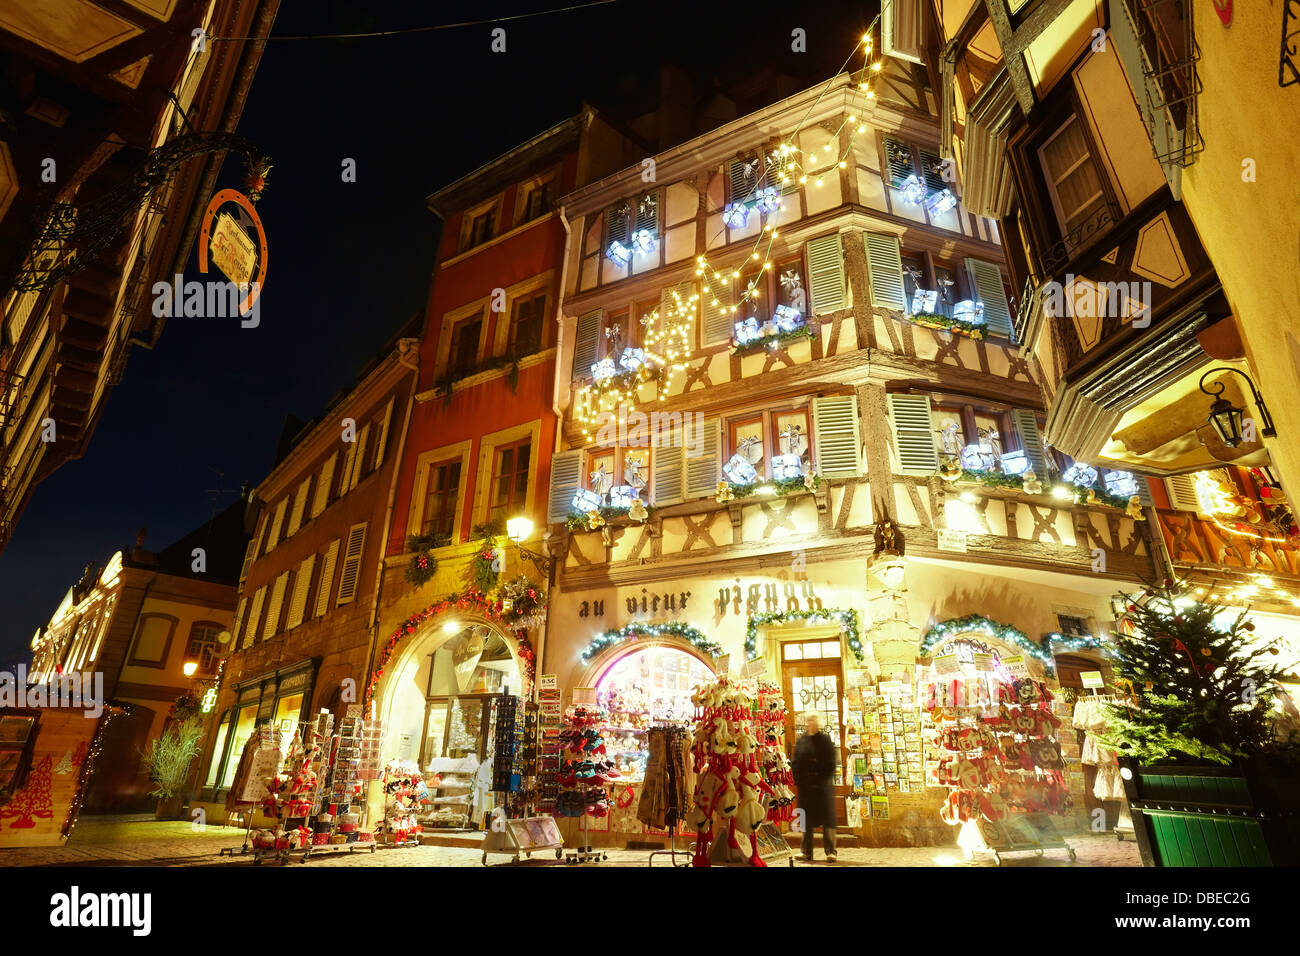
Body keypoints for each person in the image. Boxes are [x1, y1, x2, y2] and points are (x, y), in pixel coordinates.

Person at [791, 712, 837, 862]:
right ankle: (806, 852)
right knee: (806, 820)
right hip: (806, 787)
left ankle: (831, 852)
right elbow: (796, 762)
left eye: (813, 720)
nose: (811, 723)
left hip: (822, 786)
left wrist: (822, 779)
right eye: (809, 720)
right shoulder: (802, 740)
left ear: (818, 723)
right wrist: (799, 780)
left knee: (827, 821)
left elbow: (831, 762)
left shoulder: (825, 740)